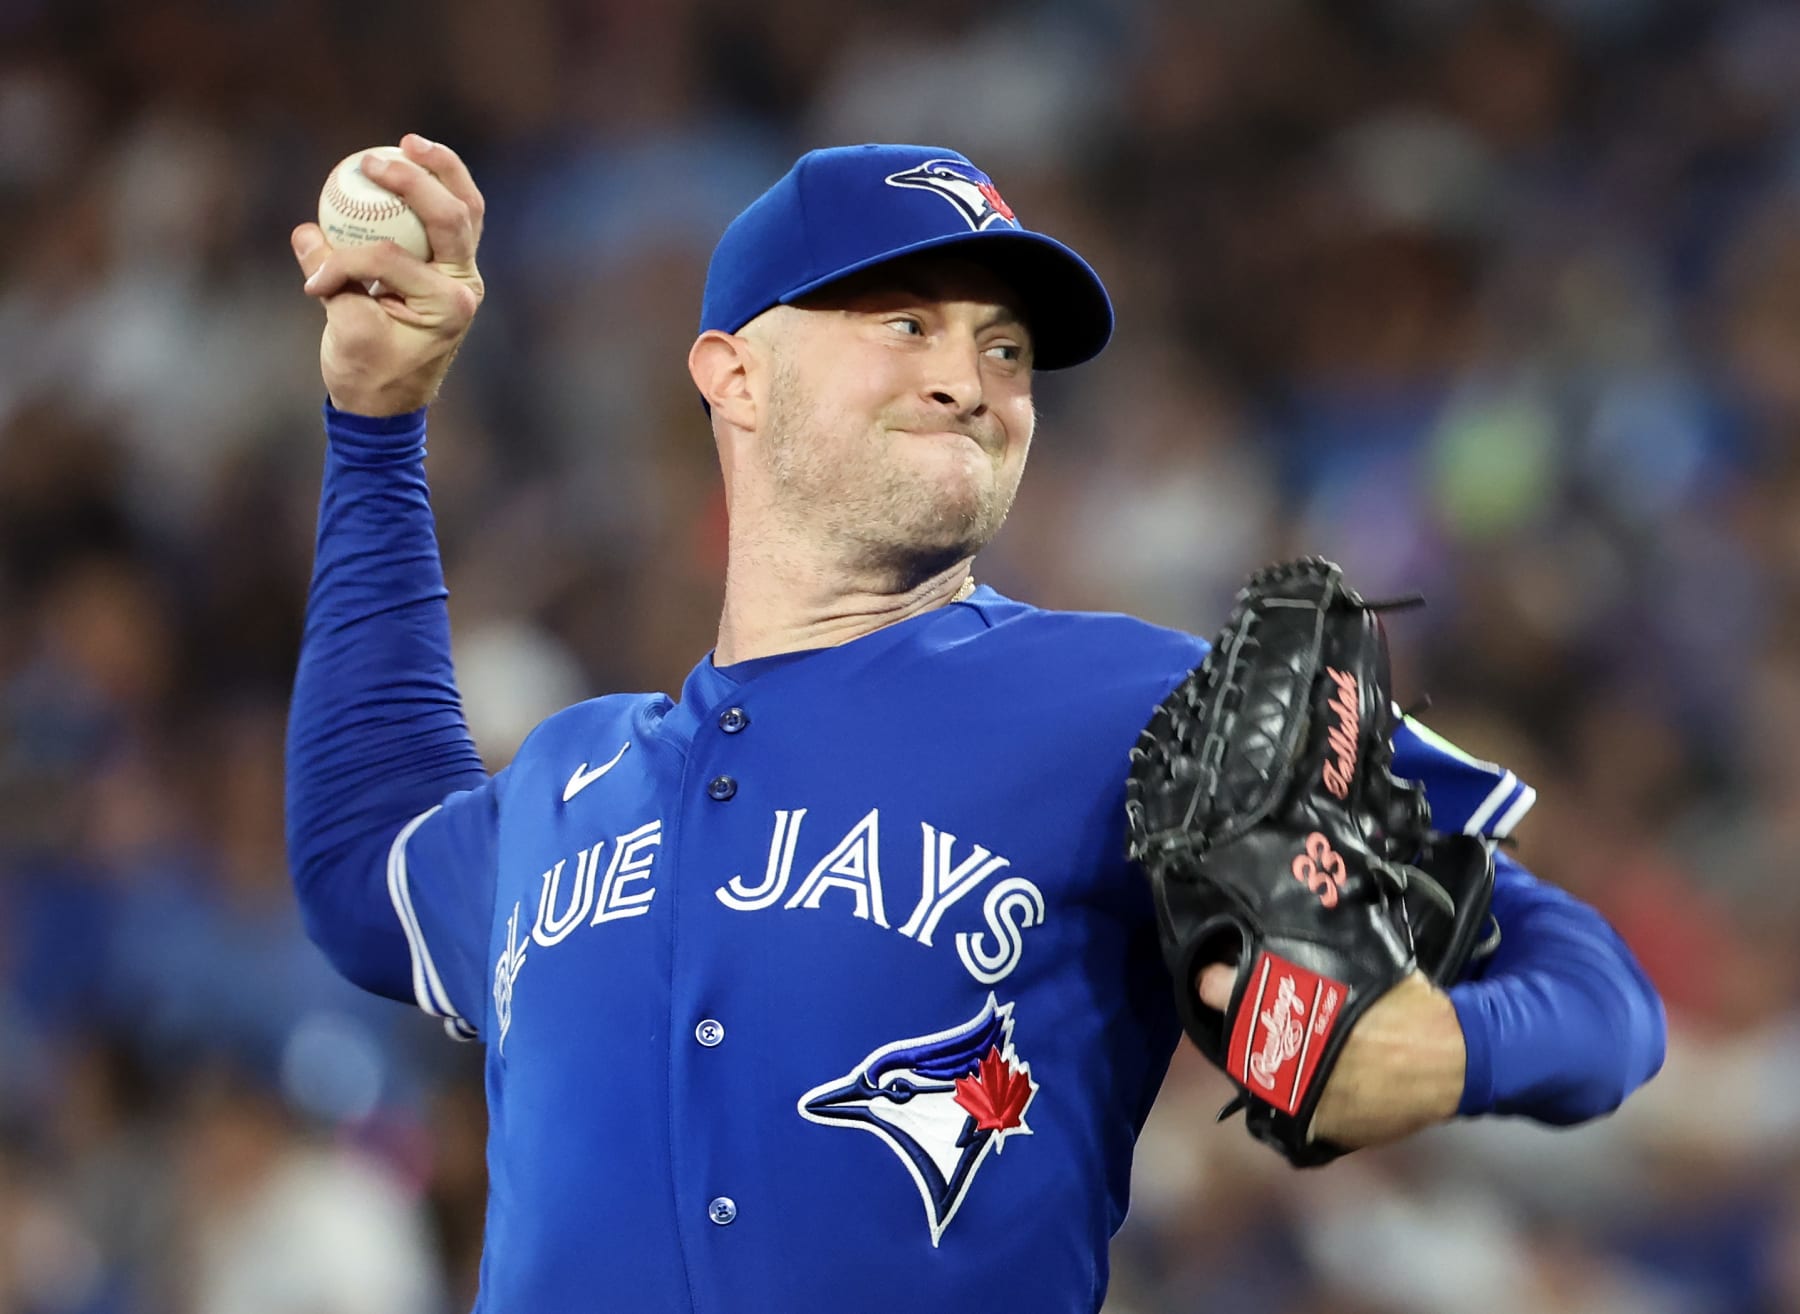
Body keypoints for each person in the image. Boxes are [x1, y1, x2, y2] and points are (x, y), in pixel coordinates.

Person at [285, 136, 1665, 1312]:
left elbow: (1597, 991)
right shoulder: (575, 779)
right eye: (908, 324)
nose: (974, 378)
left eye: (1005, 347)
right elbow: (365, 866)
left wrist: (1446, 1049)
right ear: (735, 376)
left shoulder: (1141, 704)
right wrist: (375, 424)